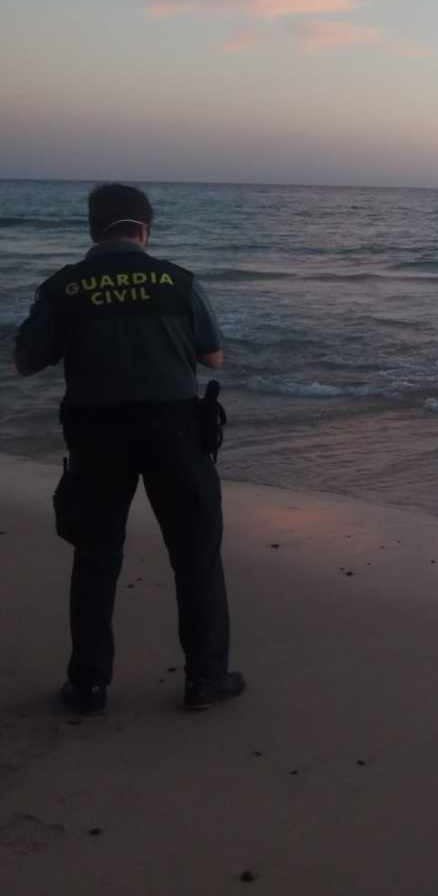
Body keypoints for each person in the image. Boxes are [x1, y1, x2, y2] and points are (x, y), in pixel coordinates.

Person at [12, 183, 245, 715]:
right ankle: (206, 679)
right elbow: (213, 358)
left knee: (96, 558)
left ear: (93, 230)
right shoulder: (178, 281)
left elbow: (27, 360)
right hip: (177, 433)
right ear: (145, 227)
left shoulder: (63, 287)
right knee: (196, 558)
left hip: (96, 435)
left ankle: (89, 685)